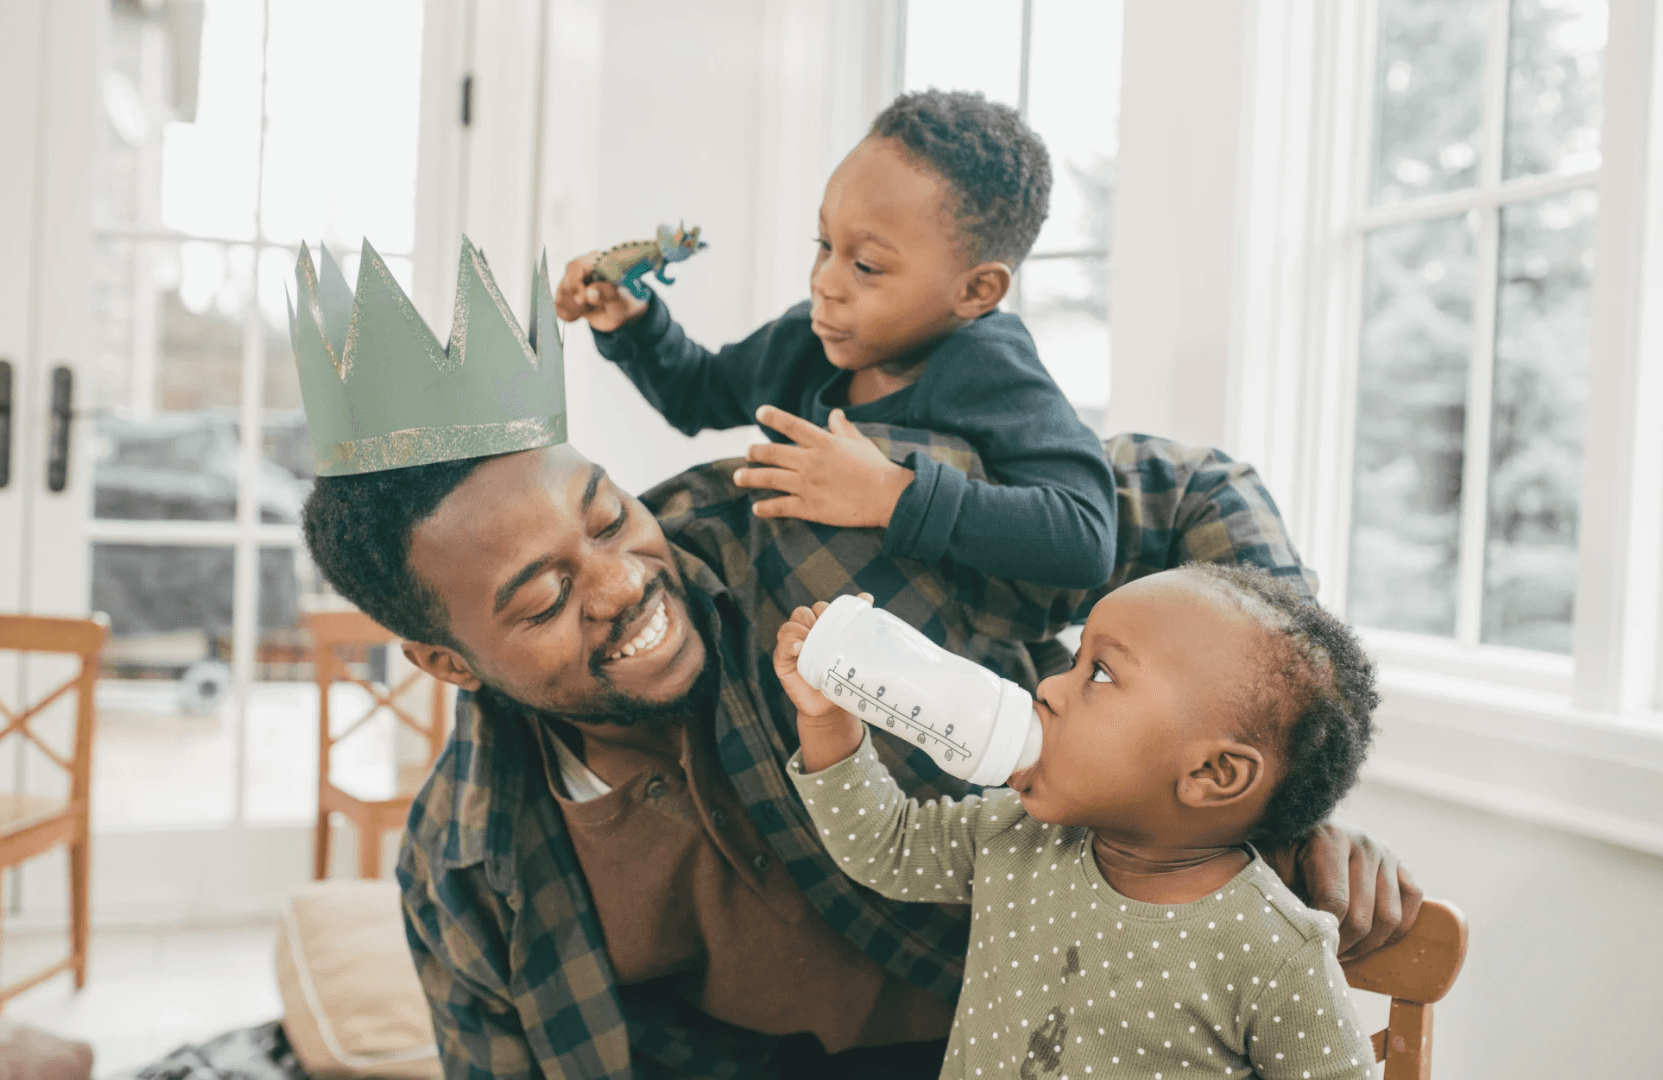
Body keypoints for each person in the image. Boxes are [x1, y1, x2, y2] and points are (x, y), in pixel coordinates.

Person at [288, 236, 1419, 1080]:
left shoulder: (818, 509)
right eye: (540, 600)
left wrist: (1266, 792)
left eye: (604, 513)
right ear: (446, 663)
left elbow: (1190, 491)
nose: (623, 581)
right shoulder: (463, 865)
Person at [776, 566, 1380, 1079]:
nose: (1049, 687)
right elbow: (887, 848)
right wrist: (828, 720)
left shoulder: (1275, 952)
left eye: (1100, 674)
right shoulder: (1016, 833)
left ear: (1212, 773)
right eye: (1075, 659)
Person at [557, 89, 1119, 591]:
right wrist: (630, 322)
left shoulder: (990, 369)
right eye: (824, 243)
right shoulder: (801, 342)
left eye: (867, 266)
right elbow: (697, 394)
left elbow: (1086, 538)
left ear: (977, 291)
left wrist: (889, 494)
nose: (823, 282)